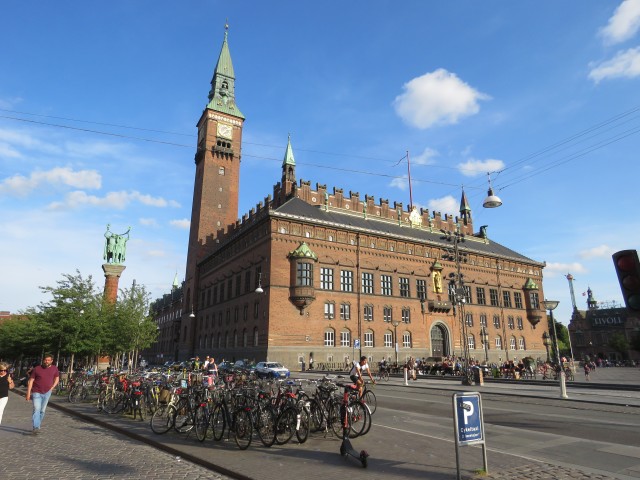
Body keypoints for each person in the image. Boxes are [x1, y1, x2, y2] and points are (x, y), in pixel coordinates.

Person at [26, 354, 59, 434]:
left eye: (48, 360)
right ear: (43, 360)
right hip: (36, 391)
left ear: (51, 361)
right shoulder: (37, 369)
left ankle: (37, 425)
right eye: (45, 360)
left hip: (47, 392)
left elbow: (57, 378)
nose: (46, 361)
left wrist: (52, 387)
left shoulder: (54, 368)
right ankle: (36, 427)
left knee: (42, 410)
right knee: (36, 409)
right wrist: (28, 393)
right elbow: (31, 381)